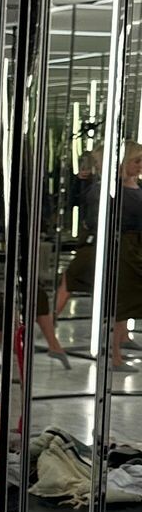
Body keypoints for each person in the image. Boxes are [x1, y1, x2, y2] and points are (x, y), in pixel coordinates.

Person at [55, 148, 101, 315]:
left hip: (96, 236)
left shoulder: (106, 185)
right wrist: (79, 182)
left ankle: (51, 320)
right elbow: (74, 201)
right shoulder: (92, 185)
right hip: (90, 235)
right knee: (71, 278)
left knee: (71, 278)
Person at [113, 140, 142, 369]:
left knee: (126, 298)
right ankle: (115, 355)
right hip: (126, 246)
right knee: (122, 299)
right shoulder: (117, 189)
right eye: (137, 161)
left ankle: (122, 339)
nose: (140, 166)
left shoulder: (134, 185)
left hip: (135, 245)